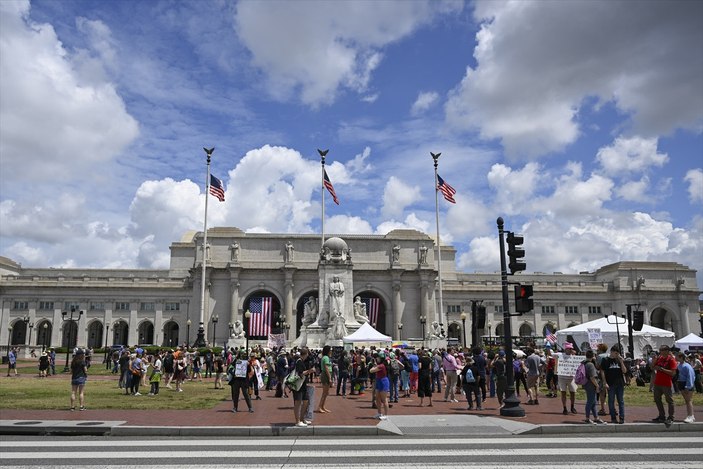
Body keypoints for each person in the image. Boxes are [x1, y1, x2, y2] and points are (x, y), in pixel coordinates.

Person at [651, 345, 677, 425]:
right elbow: (652, 367)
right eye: (660, 350)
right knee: (657, 399)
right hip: (658, 382)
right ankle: (662, 416)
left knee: (669, 400)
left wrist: (662, 369)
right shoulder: (660, 358)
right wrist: (654, 362)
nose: (660, 352)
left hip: (666, 383)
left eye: (661, 350)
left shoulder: (671, 360)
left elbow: (673, 373)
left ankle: (671, 417)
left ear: (666, 351)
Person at [602, 345, 627, 424]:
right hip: (611, 383)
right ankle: (613, 417)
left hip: (620, 383)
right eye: (615, 353)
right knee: (611, 401)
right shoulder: (605, 360)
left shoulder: (619, 360)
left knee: (621, 401)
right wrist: (604, 382)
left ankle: (622, 417)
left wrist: (622, 361)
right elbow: (602, 372)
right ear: (611, 352)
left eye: (618, 353)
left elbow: (624, 371)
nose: (617, 355)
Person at [292, 348, 315, 427]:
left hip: (303, 384)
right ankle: (297, 421)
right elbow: (300, 373)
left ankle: (302, 419)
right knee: (298, 402)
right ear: (305, 354)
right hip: (298, 384)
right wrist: (309, 371)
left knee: (306, 401)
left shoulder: (302, 361)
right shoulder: (299, 362)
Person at [583, 350, 606, 424]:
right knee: (590, 401)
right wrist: (597, 385)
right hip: (591, 385)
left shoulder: (584, 363)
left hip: (586, 384)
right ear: (593, 356)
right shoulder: (590, 365)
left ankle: (596, 417)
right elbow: (592, 377)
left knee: (594, 402)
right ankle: (587, 418)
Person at [556, 342, 578, 415]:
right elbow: (550, 354)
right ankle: (564, 408)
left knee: (573, 392)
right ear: (565, 349)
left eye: (571, 348)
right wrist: (548, 346)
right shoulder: (560, 355)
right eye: (569, 348)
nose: (570, 350)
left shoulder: (574, 357)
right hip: (562, 377)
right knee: (563, 392)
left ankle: (572, 406)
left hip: (571, 377)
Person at [676, 353, 696, 423]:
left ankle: (690, 416)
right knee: (687, 400)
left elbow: (690, 376)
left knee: (688, 400)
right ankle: (691, 415)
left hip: (686, 384)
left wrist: (688, 386)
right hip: (681, 383)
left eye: (677, 356)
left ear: (681, 357)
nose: (675, 358)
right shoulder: (679, 365)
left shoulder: (687, 366)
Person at [370, 354, 390, 420]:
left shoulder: (381, 366)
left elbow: (371, 370)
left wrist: (374, 365)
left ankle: (386, 415)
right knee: (377, 398)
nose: (376, 359)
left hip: (383, 382)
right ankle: (379, 413)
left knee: (384, 399)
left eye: (377, 358)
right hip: (378, 381)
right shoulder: (379, 365)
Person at [317, 345, 332, 413]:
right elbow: (326, 368)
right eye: (330, 350)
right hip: (326, 375)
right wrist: (330, 378)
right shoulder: (326, 358)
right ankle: (320, 407)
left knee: (326, 393)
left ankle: (322, 406)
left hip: (325, 374)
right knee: (325, 393)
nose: (331, 351)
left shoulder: (325, 357)